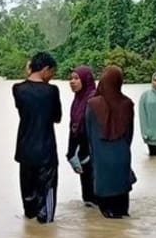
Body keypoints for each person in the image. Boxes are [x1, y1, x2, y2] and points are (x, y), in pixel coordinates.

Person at [13, 52, 61, 223]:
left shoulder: (18, 89)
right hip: (46, 151)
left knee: (29, 205)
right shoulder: (52, 91)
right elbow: (57, 117)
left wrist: (29, 73)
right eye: (52, 73)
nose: (52, 77)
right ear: (45, 69)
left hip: (25, 150)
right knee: (46, 214)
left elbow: (22, 109)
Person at [85, 65, 136, 219]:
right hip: (123, 155)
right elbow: (130, 133)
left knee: (107, 215)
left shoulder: (92, 104)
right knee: (123, 211)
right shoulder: (127, 104)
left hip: (101, 157)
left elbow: (89, 133)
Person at [66, 65, 98, 207]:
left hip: (94, 155)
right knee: (88, 200)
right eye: (71, 78)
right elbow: (73, 128)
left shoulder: (94, 100)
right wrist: (71, 154)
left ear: (86, 80)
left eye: (76, 78)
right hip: (82, 155)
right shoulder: (77, 100)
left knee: (96, 198)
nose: (72, 82)